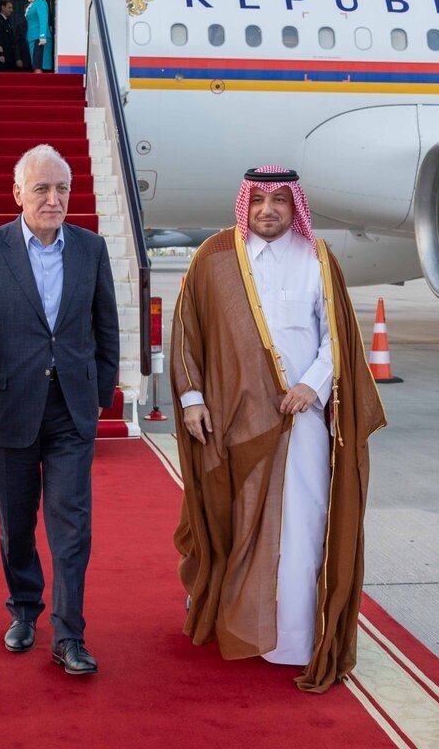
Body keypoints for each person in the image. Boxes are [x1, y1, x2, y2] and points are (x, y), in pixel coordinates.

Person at [170, 166, 385, 693]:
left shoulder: (317, 258)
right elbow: (186, 331)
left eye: (280, 200)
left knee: (302, 523)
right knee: (236, 521)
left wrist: (312, 385)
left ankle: (293, 637)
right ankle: (239, 621)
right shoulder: (215, 256)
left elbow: (338, 338)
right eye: (259, 200)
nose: (268, 209)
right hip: (230, 421)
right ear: (246, 203)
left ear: (296, 207)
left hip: (301, 418)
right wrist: (192, 399)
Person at [0, 143, 119, 675]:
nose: (53, 199)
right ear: (18, 193)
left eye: (62, 188)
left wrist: (100, 394)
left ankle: (70, 635)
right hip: (9, 410)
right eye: (41, 188)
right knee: (17, 525)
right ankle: (24, 608)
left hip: (71, 409)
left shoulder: (91, 249)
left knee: (71, 524)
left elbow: (106, 325)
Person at [22, 0, 53, 73]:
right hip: (34, 38)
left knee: (38, 66)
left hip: (39, 39)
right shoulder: (33, 3)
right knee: (36, 65)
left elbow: (43, 19)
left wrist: (42, 36)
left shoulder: (40, 1)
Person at [0, 0, 24, 72]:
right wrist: (0, 54)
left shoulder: (6, 21)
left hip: (9, 56)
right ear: (3, 7)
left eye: (11, 8)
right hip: (4, 56)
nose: (11, 10)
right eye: (9, 8)